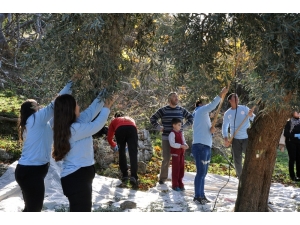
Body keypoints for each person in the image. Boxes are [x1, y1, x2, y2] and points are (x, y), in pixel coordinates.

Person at [52, 91, 115, 212]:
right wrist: (106, 108)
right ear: (70, 109)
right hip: (76, 179)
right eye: (76, 104)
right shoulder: (74, 129)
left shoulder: (73, 124)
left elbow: (91, 111)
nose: (79, 106)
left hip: (77, 178)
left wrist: (105, 92)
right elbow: (96, 125)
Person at [15, 81, 73, 212]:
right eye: (37, 105)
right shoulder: (36, 119)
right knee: (34, 209)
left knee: (30, 209)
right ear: (32, 109)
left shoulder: (36, 123)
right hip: (31, 173)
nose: (40, 106)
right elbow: (54, 105)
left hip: (28, 172)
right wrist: (71, 82)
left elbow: (53, 116)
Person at [192, 87, 228, 205]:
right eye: (205, 103)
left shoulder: (203, 115)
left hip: (206, 145)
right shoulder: (200, 111)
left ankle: (201, 195)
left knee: (204, 173)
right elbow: (212, 105)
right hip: (201, 146)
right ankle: (197, 196)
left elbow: (205, 131)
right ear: (201, 104)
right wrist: (221, 94)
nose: (207, 105)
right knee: (201, 172)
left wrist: (211, 131)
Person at [150, 92, 193, 184]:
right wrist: (159, 127)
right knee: (166, 158)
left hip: (178, 138)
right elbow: (152, 118)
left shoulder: (181, 110)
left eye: (177, 96)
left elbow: (190, 118)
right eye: (174, 97)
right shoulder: (163, 110)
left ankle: (177, 180)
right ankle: (162, 179)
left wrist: (183, 127)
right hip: (166, 138)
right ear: (169, 99)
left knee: (178, 159)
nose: (176, 98)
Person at [222, 93, 255, 179]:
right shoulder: (227, 113)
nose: (237, 99)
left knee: (250, 157)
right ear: (230, 101)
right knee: (237, 160)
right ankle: (241, 178)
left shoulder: (244, 108)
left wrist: (251, 115)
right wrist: (226, 138)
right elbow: (225, 126)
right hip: (235, 139)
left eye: (237, 97)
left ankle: (250, 176)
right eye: (235, 98)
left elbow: (254, 119)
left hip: (246, 138)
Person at [107, 111, 139, 188]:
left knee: (121, 152)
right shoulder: (130, 118)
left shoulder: (114, 121)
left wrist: (114, 144)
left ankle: (125, 175)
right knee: (133, 153)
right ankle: (134, 176)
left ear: (115, 117)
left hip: (120, 130)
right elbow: (135, 130)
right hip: (132, 128)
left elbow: (109, 137)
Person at [168, 118, 189, 191]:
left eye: (181, 125)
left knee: (181, 169)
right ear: (174, 125)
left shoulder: (181, 133)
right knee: (176, 170)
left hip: (181, 153)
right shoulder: (172, 133)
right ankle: (175, 184)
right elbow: (172, 144)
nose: (180, 126)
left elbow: (183, 141)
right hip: (175, 154)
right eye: (179, 125)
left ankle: (180, 183)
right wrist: (180, 146)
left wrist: (185, 145)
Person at [283, 110, 300, 182]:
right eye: (297, 112)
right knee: (292, 158)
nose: (298, 113)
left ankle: (299, 175)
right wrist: (295, 135)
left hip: (299, 143)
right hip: (290, 142)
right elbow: (286, 133)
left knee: (299, 158)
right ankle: (292, 176)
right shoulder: (289, 122)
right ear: (293, 113)